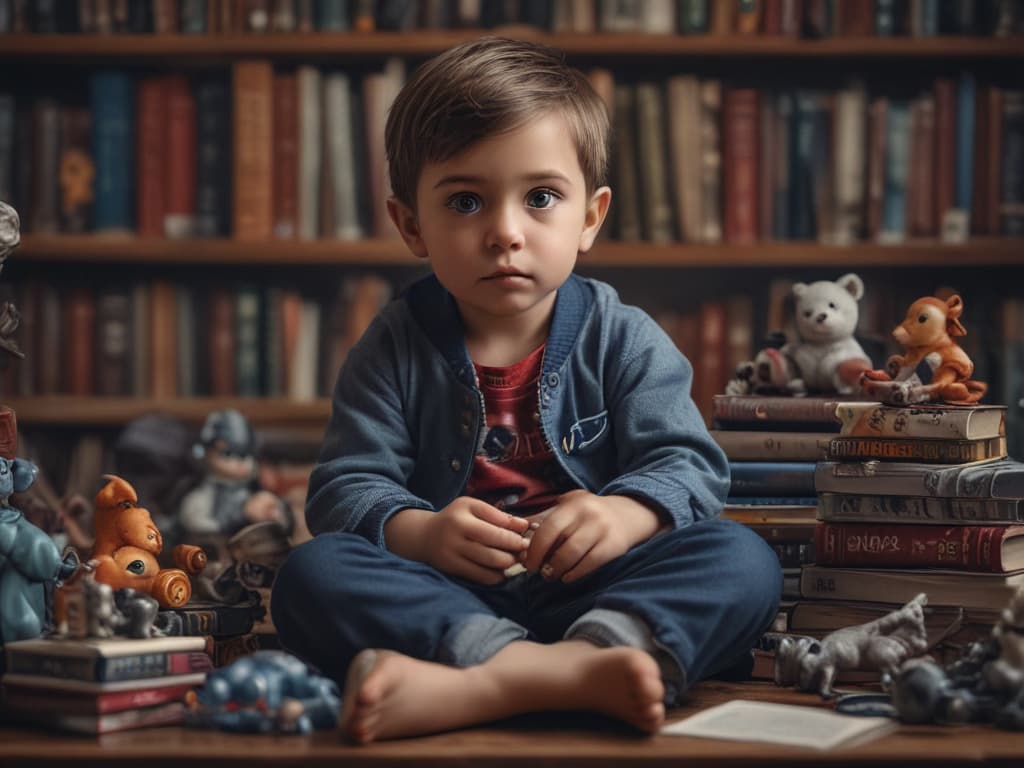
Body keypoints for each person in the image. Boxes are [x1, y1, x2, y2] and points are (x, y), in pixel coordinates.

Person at [271, 37, 782, 744]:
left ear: (591, 217)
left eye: (541, 197)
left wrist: (624, 516)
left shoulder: (623, 337)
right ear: (411, 225)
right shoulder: (393, 344)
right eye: (466, 201)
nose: (505, 233)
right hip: (452, 596)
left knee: (743, 561)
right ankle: (559, 674)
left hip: (602, 586)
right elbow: (344, 486)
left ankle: (487, 684)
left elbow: (690, 467)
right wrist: (421, 533)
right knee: (312, 574)